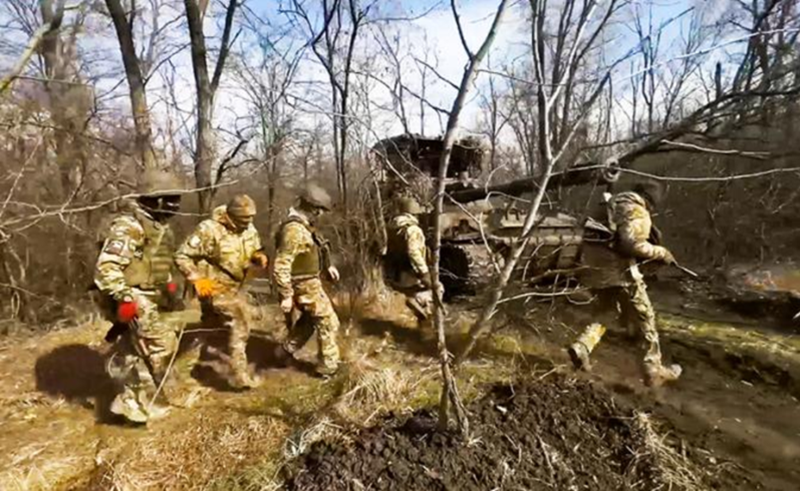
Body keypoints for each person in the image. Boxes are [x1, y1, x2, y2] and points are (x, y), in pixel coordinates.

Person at [568, 181, 683, 387]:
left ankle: (582, 347)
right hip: (619, 273)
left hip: (593, 269)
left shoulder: (607, 206)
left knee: (607, 311)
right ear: (651, 201)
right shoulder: (636, 211)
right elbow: (631, 244)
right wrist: (662, 253)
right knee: (644, 316)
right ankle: (652, 369)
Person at [94, 170, 183, 424]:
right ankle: (134, 401)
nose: (175, 204)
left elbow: (153, 263)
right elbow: (106, 268)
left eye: (176, 198)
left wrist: (169, 287)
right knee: (160, 342)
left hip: (145, 291)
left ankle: (128, 392)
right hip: (125, 292)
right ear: (154, 200)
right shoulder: (129, 226)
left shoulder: (158, 227)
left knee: (137, 346)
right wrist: (125, 300)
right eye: (170, 198)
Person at [174, 194, 268, 389]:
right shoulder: (209, 230)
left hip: (235, 285)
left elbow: (254, 249)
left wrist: (258, 256)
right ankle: (240, 377)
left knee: (210, 327)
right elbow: (181, 256)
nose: (248, 222)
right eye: (243, 219)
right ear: (230, 215)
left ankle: (190, 368)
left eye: (250, 218)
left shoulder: (249, 229)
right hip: (213, 286)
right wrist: (197, 278)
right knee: (241, 321)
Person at [273, 184, 341, 377]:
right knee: (328, 322)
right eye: (319, 210)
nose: (320, 214)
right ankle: (328, 368)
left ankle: (283, 352)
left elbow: (315, 247)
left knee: (310, 321)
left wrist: (328, 266)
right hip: (303, 285)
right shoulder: (294, 229)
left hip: (308, 282)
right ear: (311, 207)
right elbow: (282, 264)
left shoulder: (304, 226)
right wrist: (286, 295)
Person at [384, 196, 438, 322]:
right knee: (436, 290)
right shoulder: (413, 229)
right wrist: (423, 271)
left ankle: (420, 315)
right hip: (411, 269)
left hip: (397, 269)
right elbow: (413, 252)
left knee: (410, 293)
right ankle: (429, 319)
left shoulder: (393, 227)